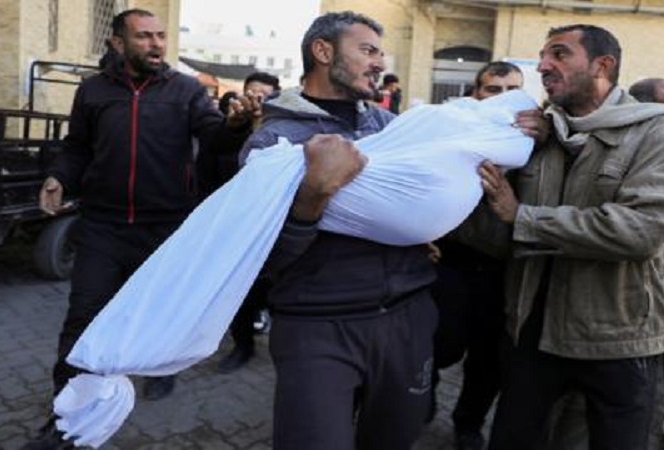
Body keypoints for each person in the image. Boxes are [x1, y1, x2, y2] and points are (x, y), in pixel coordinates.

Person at [22, 8, 258, 450]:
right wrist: (58, 177)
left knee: (157, 316)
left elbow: (214, 138)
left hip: (164, 227)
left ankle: (159, 373)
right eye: (144, 36)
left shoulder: (186, 90)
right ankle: (66, 414)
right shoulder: (92, 91)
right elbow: (77, 147)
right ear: (118, 43)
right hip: (103, 226)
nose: (156, 44)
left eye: (160, 36)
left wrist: (235, 124)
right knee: (83, 318)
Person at [472, 24, 664, 450]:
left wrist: (524, 217)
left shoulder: (663, 133)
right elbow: (494, 227)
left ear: (602, 65)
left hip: (619, 336)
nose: (543, 66)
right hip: (532, 329)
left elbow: (641, 231)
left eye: (559, 54)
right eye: (543, 56)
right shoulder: (539, 132)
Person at [238, 11, 437, 450]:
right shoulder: (273, 143)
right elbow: (262, 259)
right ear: (323, 51)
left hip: (407, 317)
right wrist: (312, 197)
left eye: (380, 53)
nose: (379, 63)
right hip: (318, 326)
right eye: (367, 50)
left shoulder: (390, 128)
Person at [544, 76, 664, 450]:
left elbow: (640, 232)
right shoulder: (562, 133)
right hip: (552, 325)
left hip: (626, 328)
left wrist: (524, 219)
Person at [430, 60, 541, 450]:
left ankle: (469, 422)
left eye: (512, 90)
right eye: (493, 90)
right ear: (476, 94)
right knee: (439, 342)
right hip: (450, 260)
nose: (502, 99)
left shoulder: (538, 142)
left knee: (488, 359)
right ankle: (423, 393)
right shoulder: (452, 131)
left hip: (502, 270)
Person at [196, 71, 281, 374]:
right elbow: (205, 178)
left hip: (273, 230)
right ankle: (242, 345)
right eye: (252, 94)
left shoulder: (285, 135)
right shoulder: (225, 135)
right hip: (233, 227)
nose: (256, 101)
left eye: (265, 96)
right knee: (238, 292)